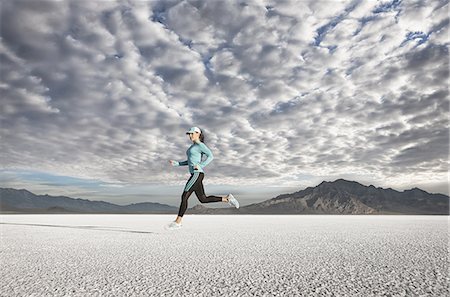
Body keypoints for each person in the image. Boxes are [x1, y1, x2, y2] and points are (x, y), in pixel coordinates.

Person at [167, 126, 239, 230]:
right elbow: (190, 162)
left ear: (198, 134)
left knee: (185, 196)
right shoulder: (191, 148)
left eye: (192, 133)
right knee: (203, 199)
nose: (190, 135)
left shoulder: (201, 145)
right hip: (195, 174)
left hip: (197, 174)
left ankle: (178, 222)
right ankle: (227, 199)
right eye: (189, 134)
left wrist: (201, 165)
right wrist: (177, 163)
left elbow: (210, 156)